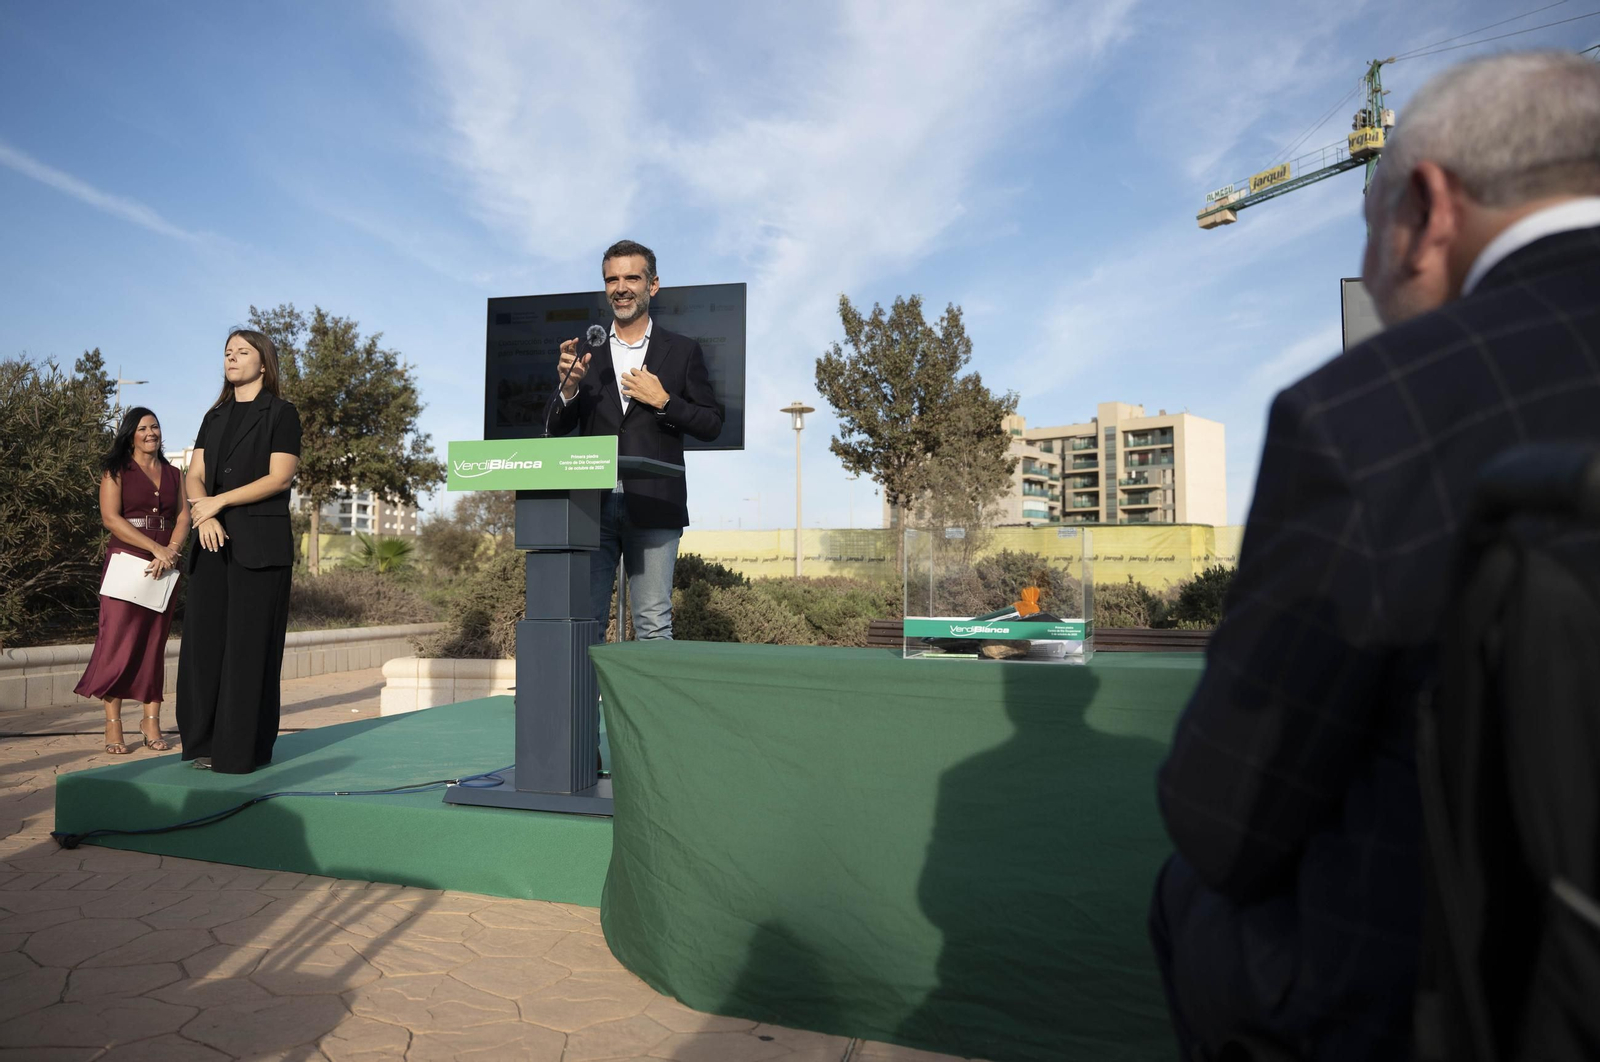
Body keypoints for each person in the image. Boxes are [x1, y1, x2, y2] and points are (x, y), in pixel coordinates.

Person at [1150, 51, 1600, 1061]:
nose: (1368, 266)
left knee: (1191, 899)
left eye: (1367, 226)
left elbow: (1220, 818)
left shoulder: (1367, 410)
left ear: (1428, 208)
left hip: (1449, 999)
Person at [546, 239, 723, 638]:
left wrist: (664, 401)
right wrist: (568, 389)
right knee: (585, 623)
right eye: (612, 280)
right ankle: (586, 686)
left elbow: (712, 423)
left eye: (632, 278)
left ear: (652, 285)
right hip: (591, 505)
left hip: (656, 503)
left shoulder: (683, 351)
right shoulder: (584, 352)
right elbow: (554, 427)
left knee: (654, 624)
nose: (621, 288)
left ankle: (646, 686)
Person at [175, 329, 301, 773]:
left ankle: (242, 750)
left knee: (250, 648)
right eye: (227, 352)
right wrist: (203, 514)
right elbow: (194, 475)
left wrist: (220, 502)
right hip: (211, 544)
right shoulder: (214, 416)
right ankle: (204, 743)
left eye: (242, 352)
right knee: (204, 646)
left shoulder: (282, 413)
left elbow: (279, 477)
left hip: (261, 548)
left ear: (263, 363)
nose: (231, 358)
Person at [75, 407, 190, 754]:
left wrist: (171, 551)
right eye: (142, 428)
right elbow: (111, 518)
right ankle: (113, 724)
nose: (150, 432)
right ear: (130, 435)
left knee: (154, 644)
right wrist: (156, 548)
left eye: (155, 426)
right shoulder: (116, 470)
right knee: (117, 643)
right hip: (127, 562)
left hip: (164, 566)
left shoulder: (175, 474)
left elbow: (183, 517)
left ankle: (150, 721)